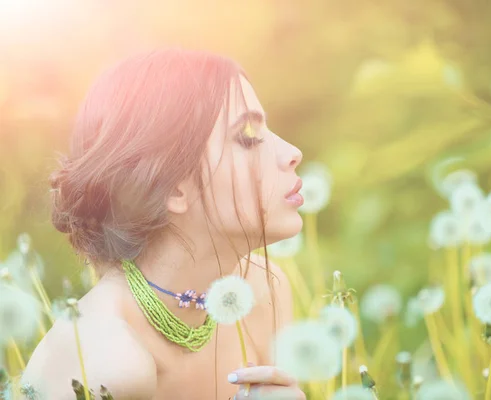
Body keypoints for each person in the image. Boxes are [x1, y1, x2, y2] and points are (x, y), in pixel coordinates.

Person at [21, 48, 307, 400]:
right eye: (248, 136)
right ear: (172, 187)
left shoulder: (263, 291)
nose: (292, 151)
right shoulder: (109, 364)